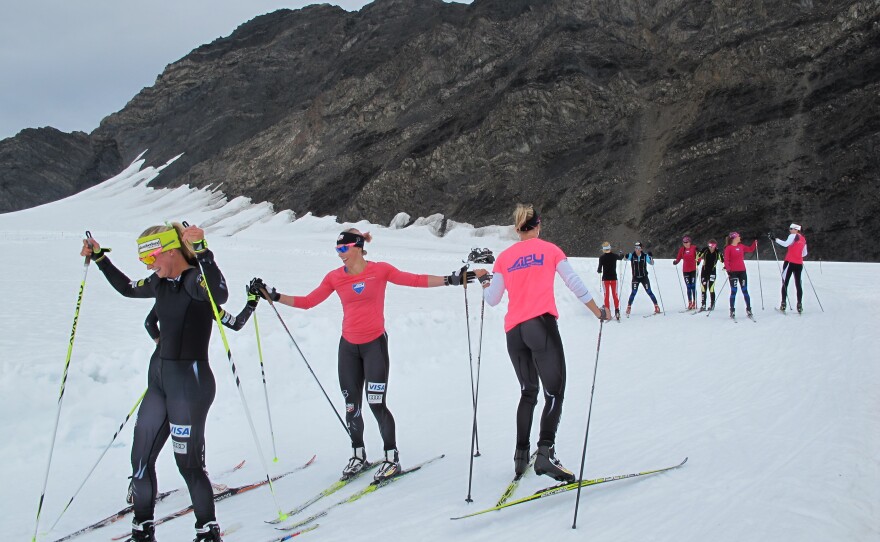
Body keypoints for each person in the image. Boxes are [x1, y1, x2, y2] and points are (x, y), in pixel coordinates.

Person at [251, 229, 476, 483]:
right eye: (337, 250)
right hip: (348, 348)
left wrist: (451, 279)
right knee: (351, 406)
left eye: (343, 249)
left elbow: (415, 279)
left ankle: (392, 458)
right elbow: (308, 301)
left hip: (374, 347)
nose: (340, 255)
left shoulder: (380, 270)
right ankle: (358, 455)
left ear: (357, 247)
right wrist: (274, 294)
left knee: (376, 403)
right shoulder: (335, 277)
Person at [81, 223, 229, 542]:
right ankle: (142, 531)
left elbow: (220, 294)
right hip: (159, 383)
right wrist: (100, 258)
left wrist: (203, 250)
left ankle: (207, 531)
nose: (148, 266)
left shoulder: (194, 282)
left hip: (189, 386)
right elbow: (126, 287)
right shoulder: (159, 283)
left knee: (188, 465)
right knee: (140, 461)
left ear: (171, 250)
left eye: (150, 258)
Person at [481, 205, 609, 482]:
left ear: (517, 229)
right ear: (539, 225)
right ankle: (545, 453)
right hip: (540, 325)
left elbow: (492, 299)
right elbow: (574, 282)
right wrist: (598, 311)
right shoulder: (550, 250)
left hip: (514, 332)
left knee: (528, 392)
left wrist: (484, 282)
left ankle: (520, 456)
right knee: (554, 393)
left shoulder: (504, 257)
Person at [127, 291, 259, 506]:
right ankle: (201, 479)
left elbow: (149, 323)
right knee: (190, 427)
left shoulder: (168, 295)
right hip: (187, 373)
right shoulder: (205, 297)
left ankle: (138, 486)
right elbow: (235, 324)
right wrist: (252, 303)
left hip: (159, 366)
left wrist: (163, 345)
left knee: (154, 430)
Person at [773, 223, 808, 313]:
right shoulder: (803, 239)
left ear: (796, 230)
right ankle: (799, 304)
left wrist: (775, 239)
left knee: (785, 282)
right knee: (798, 283)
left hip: (789, 262)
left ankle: (783, 304)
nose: (790, 230)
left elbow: (785, 244)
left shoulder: (793, 236)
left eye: (791, 228)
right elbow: (804, 253)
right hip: (799, 263)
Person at [723, 232, 757, 319]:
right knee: (734, 291)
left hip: (742, 271)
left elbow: (750, 249)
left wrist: (755, 243)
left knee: (745, 290)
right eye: (738, 236)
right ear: (734, 238)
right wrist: (728, 270)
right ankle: (732, 310)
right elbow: (726, 260)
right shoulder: (728, 248)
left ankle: (749, 309)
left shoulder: (741, 246)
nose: (740, 237)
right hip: (733, 272)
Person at [624, 242, 660, 315]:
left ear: (641, 249)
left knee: (649, 291)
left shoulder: (645, 256)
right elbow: (624, 259)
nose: (637, 249)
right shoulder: (632, 255)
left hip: (644, 277)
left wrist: (651, 257)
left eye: (638, 248)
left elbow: (652, 263)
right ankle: (629, 307)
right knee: (633, 292)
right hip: (635, 278)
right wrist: (626, 256)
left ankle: (656, 306)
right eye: (636, 248)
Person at [596, 242, 624, 319]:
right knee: (615, 295)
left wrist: (599, 271)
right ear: (610, 249)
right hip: (614, 278)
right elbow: (621, 257)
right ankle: (617, 311)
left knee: (606, 295)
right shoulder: (614, 256)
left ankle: (607, 313)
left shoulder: (602, 257)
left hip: (605, 279)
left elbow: (599, 269)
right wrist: (621, 253)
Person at [673, 236, 699, 309]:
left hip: (693, 270)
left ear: (690, 242)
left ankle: (694, 302)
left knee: (693, 286)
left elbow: (698, 256)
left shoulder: (694, 248)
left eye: (686, 242)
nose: (685, 244)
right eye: (684, 242)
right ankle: (690, 302)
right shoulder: (682, 249)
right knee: (688, 286)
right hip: (686, 271)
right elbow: (678, 258)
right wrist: (676, 262)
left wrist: (699, 261)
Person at [696, 239, 723, 311]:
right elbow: (697, 256)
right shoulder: (705, 250)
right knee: (703, 287)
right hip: (704, 271)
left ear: (715, 246)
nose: (710, 247)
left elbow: (723, 260)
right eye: (709, 245)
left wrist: (726, 266)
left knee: (711, 288)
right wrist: (697, 260)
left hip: (712, 272)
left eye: (712, 246)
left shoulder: (717, 252)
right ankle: (703, 304)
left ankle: (712, 304)